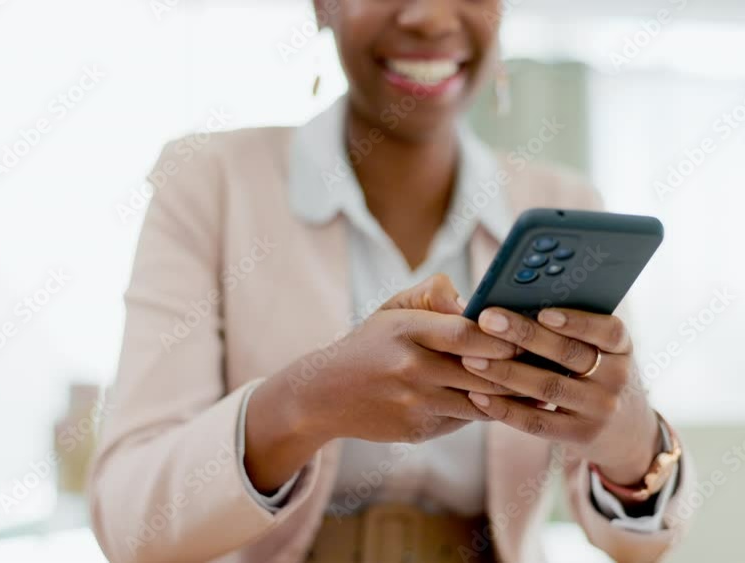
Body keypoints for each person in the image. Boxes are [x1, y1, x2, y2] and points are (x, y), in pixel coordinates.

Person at [89, 1, 694, 562]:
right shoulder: (209, 184)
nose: (429, 17)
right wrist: (307, 402)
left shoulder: (563, 201)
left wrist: (630, 441)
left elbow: (641, 546)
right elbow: (128, 523)